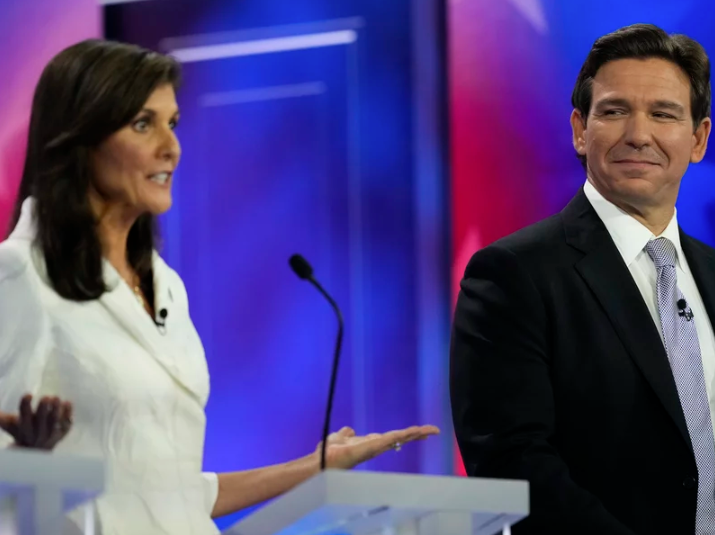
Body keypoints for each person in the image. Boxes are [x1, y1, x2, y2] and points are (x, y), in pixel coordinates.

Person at [0, 39, 439, 535]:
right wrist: (28, 462)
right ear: (80, 137)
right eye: (143, 124)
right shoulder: (19, 277)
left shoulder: (165, 286)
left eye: (173, 123)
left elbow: (177, 494)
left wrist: (315, 467)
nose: (171, 146)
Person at [451, 23, 715, 535]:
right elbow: (514, 464)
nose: (639, 134)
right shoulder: (512, 274)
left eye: (663, 113)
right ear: (580, 129)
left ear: (698, 139)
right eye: (615, 111)